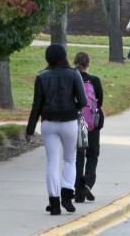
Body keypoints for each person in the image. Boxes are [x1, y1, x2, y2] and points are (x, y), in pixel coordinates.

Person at [25, 44, 86, 216]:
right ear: (64, 56)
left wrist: (30, 129)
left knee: (52, 161)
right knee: (70, 159)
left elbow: (36, 105)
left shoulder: (42, 77)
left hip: (49, 122)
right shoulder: (73, 74)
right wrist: (71, 108)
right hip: (69, 122)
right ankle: (67, 194)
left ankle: (54, 202)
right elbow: (82, 100)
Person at [73, 52, 103, 203]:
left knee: (78, 156)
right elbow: (100, 102)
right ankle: (87, 183)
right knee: (92, 154)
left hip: (76, 123)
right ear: (88, 64)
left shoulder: (72, 78)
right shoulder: (94, 81)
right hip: (92, 124)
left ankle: (78, 191)